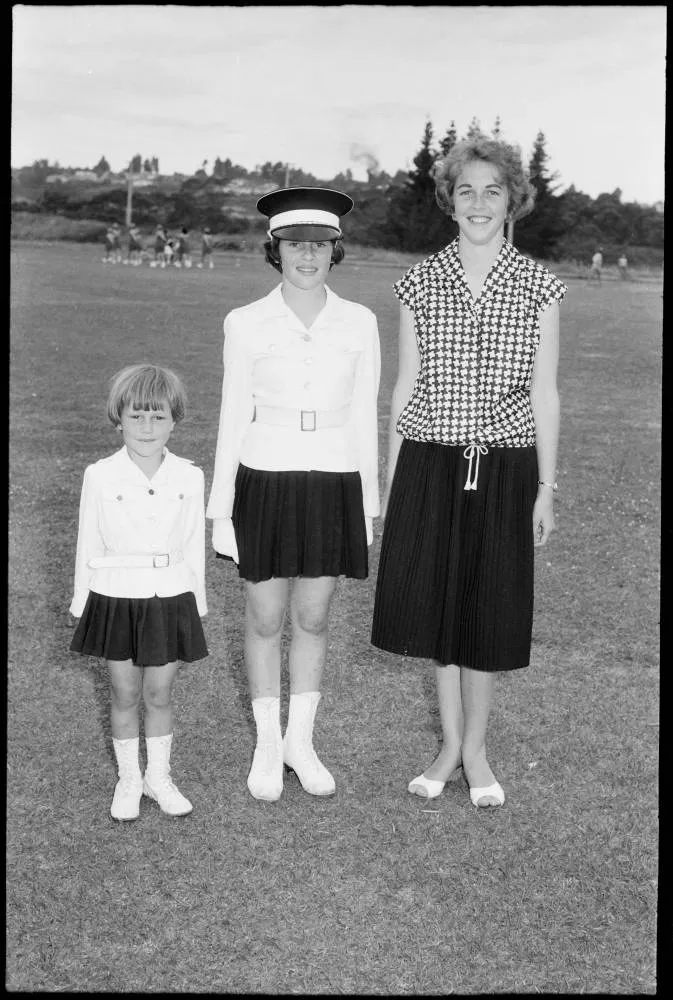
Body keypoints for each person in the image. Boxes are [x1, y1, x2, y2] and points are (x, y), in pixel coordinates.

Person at [371, 135, 566, 809]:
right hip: (430, 461)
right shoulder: (418, 283)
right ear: (448, 203)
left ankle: (476, 751)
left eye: (491, 190)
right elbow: (404, 387)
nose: (478, 203)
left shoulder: (539, 287)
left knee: (487, 611)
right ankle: (448, 746)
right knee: (438, 610)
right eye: (465, 191)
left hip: (507, 469)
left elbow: (545, 394)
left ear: (512, 200)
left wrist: (545, 487)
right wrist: (392, 481)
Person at [207, 187, 381, 802]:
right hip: (265, 474)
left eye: (320, 245)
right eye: (294, 244)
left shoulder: (359, 321)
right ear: (275, 249)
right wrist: (221, 509)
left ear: (336, 251)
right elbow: (232, 416)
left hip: (335, 478)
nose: (307, 255)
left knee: (312, 616)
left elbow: (365, 415)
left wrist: (368, 504)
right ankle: (266, 744)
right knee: (264, 616)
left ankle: (300, 744)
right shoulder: (245, 322)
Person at [69, 364, 208, 821]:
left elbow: (192, 546)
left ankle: (159, 777)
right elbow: (87, 543)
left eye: (158, 417)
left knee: (160, 694)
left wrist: (197, 603)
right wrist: (81, 602)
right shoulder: (100, 474)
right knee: (124, 693)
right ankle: (129, 779)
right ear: (119, 419)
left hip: (169, 598)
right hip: (114, 597)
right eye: (136, 417)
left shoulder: (189, 476)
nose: (147, 428)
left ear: (175, 421)